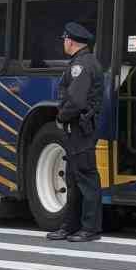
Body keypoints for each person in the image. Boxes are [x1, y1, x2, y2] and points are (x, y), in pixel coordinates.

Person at [49, 23, 104, 243]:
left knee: (86, 179)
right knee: (73, 178)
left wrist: (61, 117)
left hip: (82, 129)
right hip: (79, 129)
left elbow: (76, 100)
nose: (64, 43)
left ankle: (90, 228)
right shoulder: (82, 62)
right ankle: (70, 226)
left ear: (70, 41)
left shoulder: (81, 65)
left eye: (64, 40)